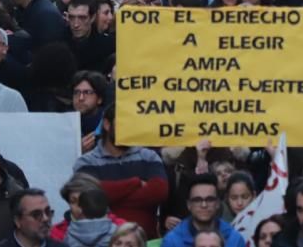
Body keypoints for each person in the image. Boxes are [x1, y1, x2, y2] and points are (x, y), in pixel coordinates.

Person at [73, 105, 169, 238]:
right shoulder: (86, 162)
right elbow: (89, 199)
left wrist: (111, 200)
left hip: (145, 241)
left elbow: (159, 191)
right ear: (106, 124)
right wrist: (134, 183)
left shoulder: (149, 156)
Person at [161, 173, 244, 247]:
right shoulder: (172, 241)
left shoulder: (234, 239)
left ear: (218, 203)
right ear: (189, 205)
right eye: (197, 200)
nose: (204, 205)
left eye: (210, 199)